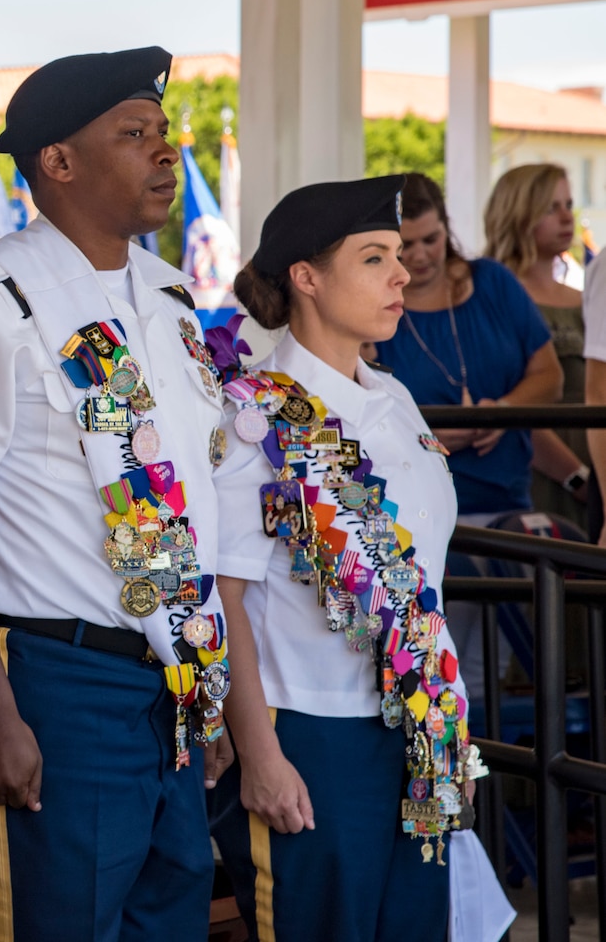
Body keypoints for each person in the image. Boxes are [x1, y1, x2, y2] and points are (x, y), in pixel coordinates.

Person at [0, 47, 233, 942]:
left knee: (169, 916)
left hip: (168, 680)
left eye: (165, 135)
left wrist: (204, 686)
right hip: (58, 683)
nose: (165, 154)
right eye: (135, 136)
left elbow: (183, 501)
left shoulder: (168, 295)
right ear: (57, 162)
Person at [206, 176, 487, 941]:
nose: (403, 274)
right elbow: (222, 598)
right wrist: (259, 755)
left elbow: (420, 565)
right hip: (310, 731)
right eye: (374, 258)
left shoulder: (392, 395)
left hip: (417, 721)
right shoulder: (253, 415)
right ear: (306, 277)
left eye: (399, 255)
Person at [377, 173, 561, 698]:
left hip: (503, 500)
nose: (420, 255)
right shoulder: (378, 304)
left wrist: (499, 411)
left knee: (490, 675)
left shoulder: (494, 282)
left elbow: (549, 376)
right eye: (403, 245)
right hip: (421, 517)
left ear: (447, 229)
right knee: (436, 674)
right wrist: (431, 436)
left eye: (430, 239)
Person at [484, 164, 595, 534]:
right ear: (518, 213)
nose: (567, 217)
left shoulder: (584, 299)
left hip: (595, 464)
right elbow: (510, 395)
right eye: (551, 208)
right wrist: (577, 478)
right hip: (538, 473)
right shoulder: (496, 296)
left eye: (568, 204)